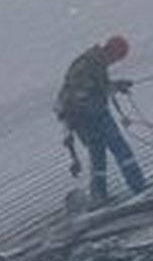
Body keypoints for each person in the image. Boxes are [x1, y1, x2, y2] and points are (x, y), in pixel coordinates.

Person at [54, 35, 148, 204]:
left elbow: (94, 87)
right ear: (112, 51)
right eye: (117, 57)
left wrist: (115, 86)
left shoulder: (93, 62)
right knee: (120, 149)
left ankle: (99, 195)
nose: (115, 61)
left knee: (98, 155)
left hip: (84, 118)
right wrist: (111, 89)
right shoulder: (89, 64)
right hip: (91, 116)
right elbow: (84, 92)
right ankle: (138, 187)